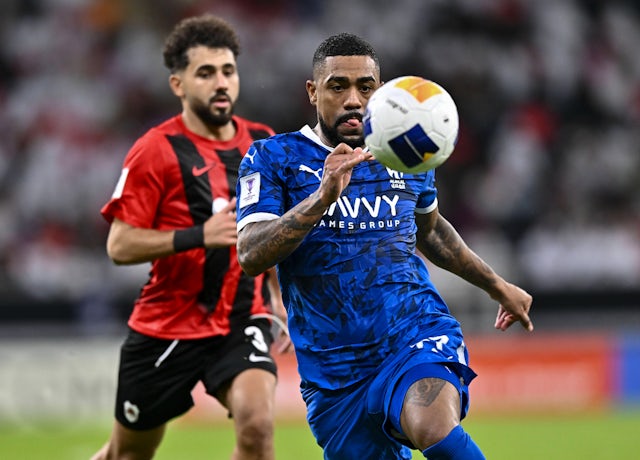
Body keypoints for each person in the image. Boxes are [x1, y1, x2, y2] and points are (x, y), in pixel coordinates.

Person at [235, 32, 533, 460]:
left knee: (432, 426)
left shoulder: (406, 152)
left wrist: (496, 285)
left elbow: (430, 230)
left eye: (366, 87)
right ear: (312, 91)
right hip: (334, 371)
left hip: (412, 333)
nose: (353, 99)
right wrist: (321, 197)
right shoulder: (272, 158)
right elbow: (251, 253)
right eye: (338, 86)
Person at [93, 14, 289, 460]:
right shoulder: (154, 150)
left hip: (243, 318)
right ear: (178, 85)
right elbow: (119, 245)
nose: (221, 83)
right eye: (205, 73)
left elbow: (274, 230)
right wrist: (198, 235)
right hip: (167, 327)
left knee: (257, 427)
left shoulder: (264, 145)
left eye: (228, 71)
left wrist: (277, 295)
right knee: (127, 454)